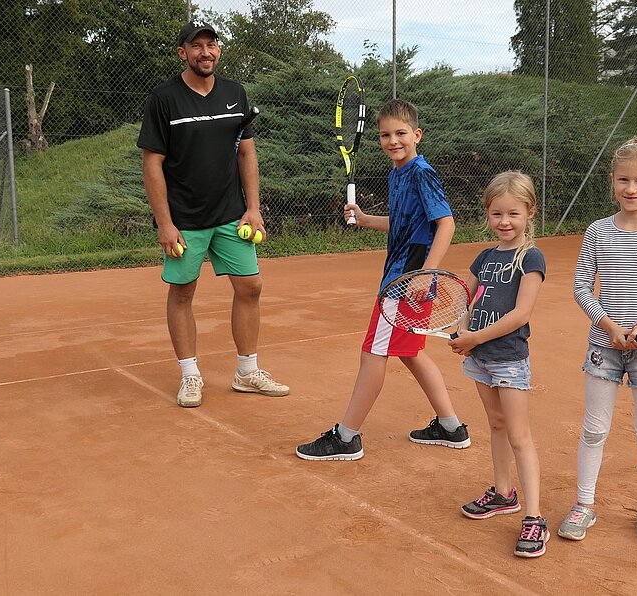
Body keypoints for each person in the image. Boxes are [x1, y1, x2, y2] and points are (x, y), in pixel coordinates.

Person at [295, 98, 470, 461]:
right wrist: (365, 218)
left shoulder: (421, 172)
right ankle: (451, 427)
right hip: (404, 279)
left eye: (401, 133)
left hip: (407, 283)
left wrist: (425, 275)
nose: (393, 140)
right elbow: (404, 224)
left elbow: (446, 223)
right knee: (410, 355)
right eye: (385, 135)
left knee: (373, 353)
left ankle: (346, 437)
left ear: (417, 135)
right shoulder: (397, 174)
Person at [138, 21, 289, 408]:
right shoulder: (164, 100)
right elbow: (152, 164)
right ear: (182, 53)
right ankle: (190, 375)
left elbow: (246, 152)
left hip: (230, 214)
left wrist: (253, 209)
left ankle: (247, 371)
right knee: (183, 291)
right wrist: (165, 223)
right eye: (196, 46)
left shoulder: (235, 94)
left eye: (212, 45)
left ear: (218, 50)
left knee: (251, 287)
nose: (206, 52)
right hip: (184, 219)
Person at [558, 136, 637, 546]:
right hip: (604, 346)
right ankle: (584, 504)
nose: (632, 189)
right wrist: (609, 326)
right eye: (624, 180)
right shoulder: (597, 231)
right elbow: (581, 288)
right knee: (594, 429)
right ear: (612, 181)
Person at [449, 171, 548, 558]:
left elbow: (521, 313)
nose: (504, 221)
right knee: (496, 425)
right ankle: (504, 494)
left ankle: (535, 517)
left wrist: (475, 336)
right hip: (480, 359)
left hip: (507, 359)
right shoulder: (485, 257)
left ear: (529, 213)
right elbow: (464, 295)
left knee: (519, 435)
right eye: (496, 213)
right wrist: (461, 327)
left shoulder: (531, 258)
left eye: (513, 213)